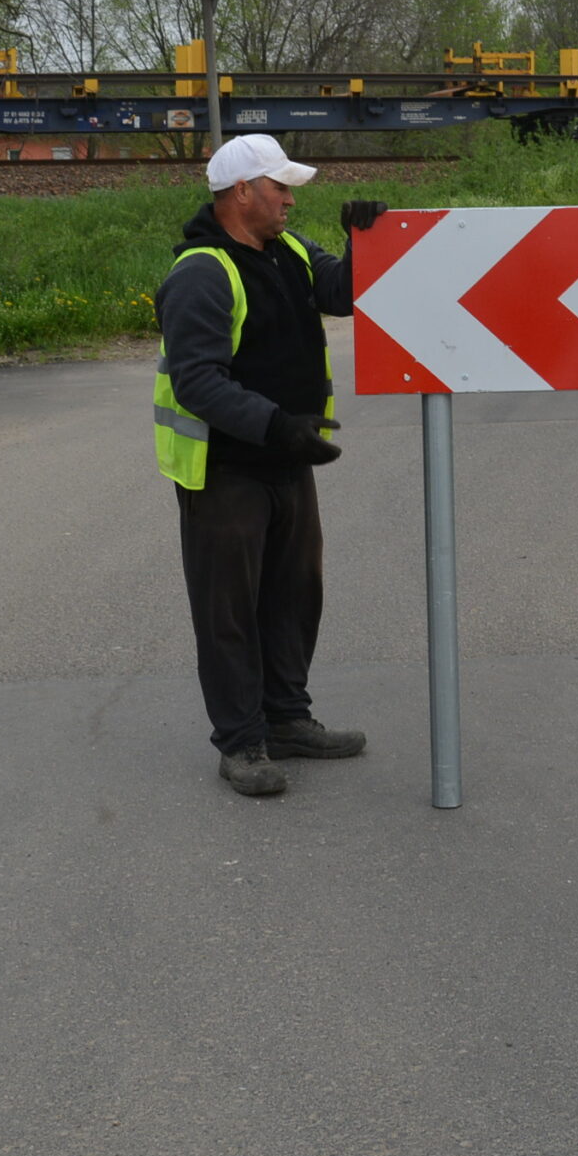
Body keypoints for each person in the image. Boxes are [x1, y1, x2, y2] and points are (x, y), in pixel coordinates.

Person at [153, 133, 386, 797]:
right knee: (230, 609)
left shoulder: (289, 250)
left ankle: (286, 719)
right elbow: (198, 381)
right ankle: (241, 741)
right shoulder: (202, 271)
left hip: (286, 458)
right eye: (279, 186)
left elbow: (340, 292)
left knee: (294, 595)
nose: (290, 197)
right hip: (226, 468)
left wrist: (366, 236)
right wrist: (278, 426)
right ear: (240, 193)